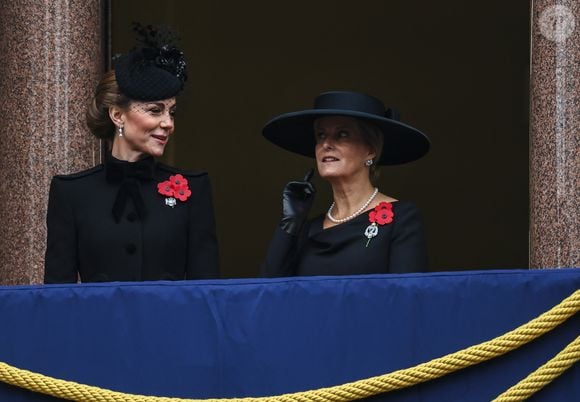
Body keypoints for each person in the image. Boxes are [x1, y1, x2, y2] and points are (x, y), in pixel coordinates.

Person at [44, 25, 219, 283]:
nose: (168, 123)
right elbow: (57, 298)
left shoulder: (195, 189)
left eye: (171, 112)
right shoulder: (71, 193)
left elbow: (207, 293)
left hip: (170, 324)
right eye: (155, 110)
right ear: (118, 115)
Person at [261, 90, 430, 276]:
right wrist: (290, 224)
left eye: (342, 134)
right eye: (321, 135)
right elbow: (269, 292)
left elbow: (406, 296)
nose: (326, 144)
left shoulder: (402, 219)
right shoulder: (307, 229)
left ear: (370, 150)